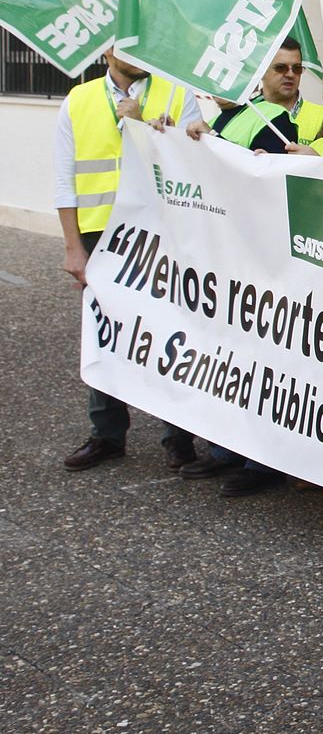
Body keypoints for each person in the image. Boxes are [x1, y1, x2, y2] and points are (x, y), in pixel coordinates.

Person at [59, 49, 203, 471]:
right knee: (107, 332)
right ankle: (106, 434)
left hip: (162, 232)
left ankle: (179, 437)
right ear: (108, 50)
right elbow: (63, 179)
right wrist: (73, 247)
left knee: (171, 330)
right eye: (127, 44)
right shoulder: (78, 99)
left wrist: (146, 128)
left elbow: (196, 159)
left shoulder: (177, 94)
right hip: (99, 233)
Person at [186, 37, 321, 151]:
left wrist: (212, 137)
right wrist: (171, 135)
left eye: (297, 68)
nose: (290, 74)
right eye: (281, 68)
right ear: (261, 71)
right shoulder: (223, 118)